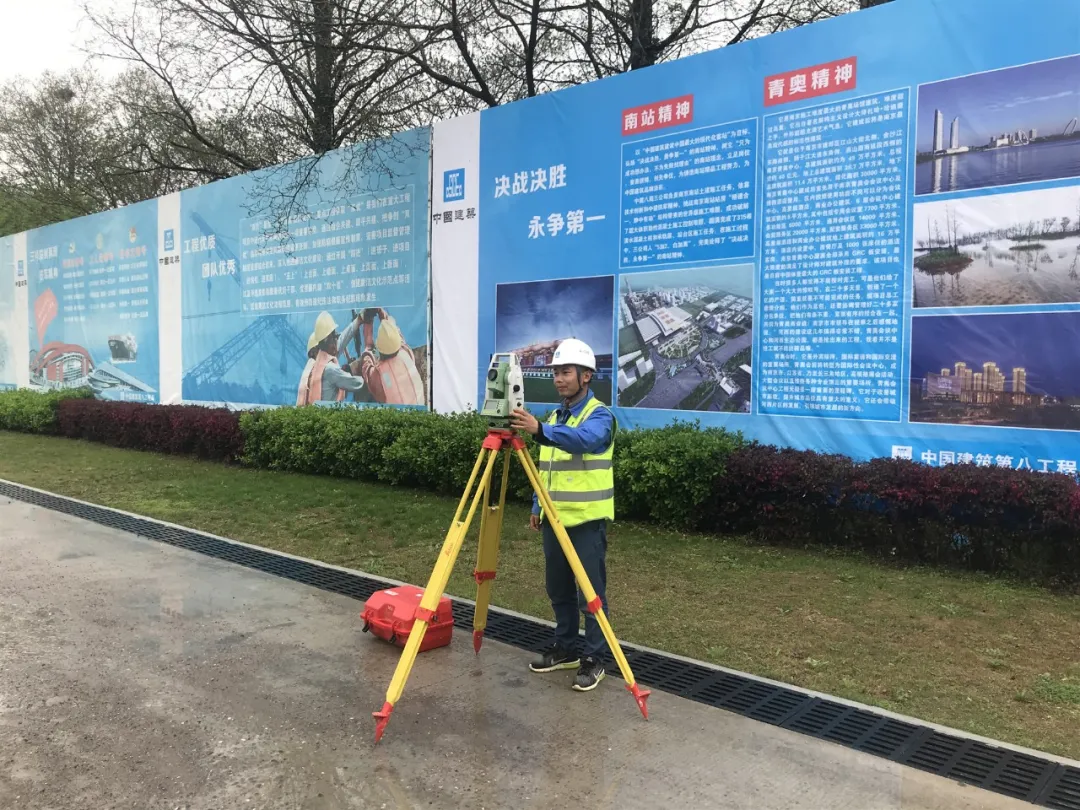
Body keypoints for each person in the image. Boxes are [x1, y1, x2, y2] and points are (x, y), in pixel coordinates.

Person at [509, 338, 615, 693]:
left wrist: (539, 430)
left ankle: (595, 658)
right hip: (554, 521)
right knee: (558, 590)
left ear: (586, 376)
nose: (558, 379)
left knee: (591, 595)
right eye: (555, 372)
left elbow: (582, 441)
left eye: (565, 372)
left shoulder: (600, 416)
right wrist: (538, 506)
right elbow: (548, 468)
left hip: (585, 522)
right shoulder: (557, 417)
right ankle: (567, 647)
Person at [359, 308, 426, 406]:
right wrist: (383, 316)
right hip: (419, 410)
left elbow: (367, 363)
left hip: (398, 417)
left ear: (380, 350)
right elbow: (395, 335)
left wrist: (368, 325)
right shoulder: (406, 353)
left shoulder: (379, 375)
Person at [296, 311, 365, 405]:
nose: (336, 343)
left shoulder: (311, 369)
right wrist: (365, 373)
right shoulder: (329, 369)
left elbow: (341, 341)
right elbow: (355, 383)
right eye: (334, 338)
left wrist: (358, 321)